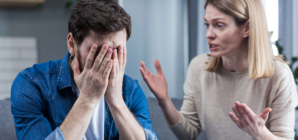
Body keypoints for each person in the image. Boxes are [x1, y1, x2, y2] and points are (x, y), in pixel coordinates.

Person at [140, 0, 298, 139]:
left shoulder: (279, 76)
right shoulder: (198, 68)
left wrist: (259, 133)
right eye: (207, 24)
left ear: (247, 28)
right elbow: (188, 134)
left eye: (219, 25)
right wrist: (164, 101)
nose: (208, 34)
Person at [11, 0, 157, 140]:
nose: (109, 61)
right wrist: (87, 98)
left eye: (117, 51)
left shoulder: (131, 90)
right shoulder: (32, 84)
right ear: (71, 44)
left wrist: (116, 101)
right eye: (100, 51)